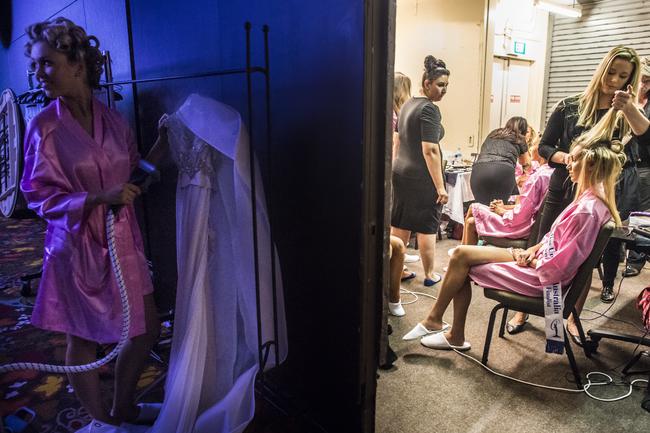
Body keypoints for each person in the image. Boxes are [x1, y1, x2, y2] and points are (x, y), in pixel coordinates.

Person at [20, 18, 167, 433]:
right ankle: (99, 422)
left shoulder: (113, 120)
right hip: (75, 245)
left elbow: (132, 179)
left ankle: (123, 410)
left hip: (123, 240)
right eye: (36, 65)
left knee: (146, 328)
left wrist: (157, 153)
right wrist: (96, 198)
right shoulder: (43, 127)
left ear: (78, 65)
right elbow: (38, 197)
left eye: (47, 63)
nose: (39, 73)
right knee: (82, 338)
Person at [402, 142, 624, 351]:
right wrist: (532, 249)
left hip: (542, 278)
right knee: (460, 255)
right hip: (539, 261)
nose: (567, 163)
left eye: (573, 160)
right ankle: (439, 323)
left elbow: (560, 266)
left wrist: (530, 258)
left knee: (460, 262)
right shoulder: (590, 200)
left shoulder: (586, 210)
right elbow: (554, 241)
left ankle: (449, 331)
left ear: (591, 166)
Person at [537, 45, 650, 316]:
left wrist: (630, 109)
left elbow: (646, 142)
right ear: (602, 68)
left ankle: (574, 315)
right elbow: (544, 147)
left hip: (598, 199)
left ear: (630, 81)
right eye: (610, 72)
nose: (614, 80)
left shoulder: (627, 114)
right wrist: (569, 159)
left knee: (585, 260)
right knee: (545, 247)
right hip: (564, 189)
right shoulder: (570, 106)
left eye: (623, 76)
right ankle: (525, 311)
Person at [391, 55, 449, 287]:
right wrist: (440, 187)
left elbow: (397, 141)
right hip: (421, 178)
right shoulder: (429, 109)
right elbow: (430, 151)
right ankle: (429, 274)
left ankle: (395, 269)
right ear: (427, 83)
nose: (444, 90)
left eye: (446, 86)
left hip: (401, 173)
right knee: (427, 226)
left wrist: (395, 167)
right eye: (440, 85)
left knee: (401, 223)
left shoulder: (407, 105)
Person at [622, 56, 650, 278]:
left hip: (645, 166)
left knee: (641, 212)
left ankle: (636, 259)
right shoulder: (624, 102)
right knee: (623, 211)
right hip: (624, 165)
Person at [470, 116, 531, 205]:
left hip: (479, 170)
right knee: (497, 209)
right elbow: (525, 162)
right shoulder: (519, 138)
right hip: (503, 171)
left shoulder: (494, 133)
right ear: (524, 130)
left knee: (481, 209)